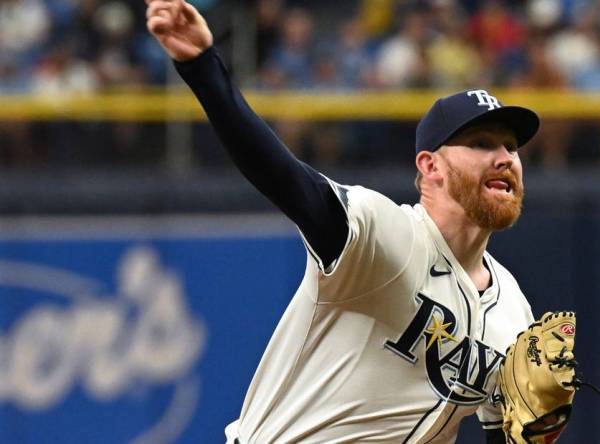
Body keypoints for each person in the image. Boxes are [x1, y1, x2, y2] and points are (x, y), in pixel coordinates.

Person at [145, 1, 540, 442]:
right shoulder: (385, 235)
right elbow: (282, 176)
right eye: (482, 143)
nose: (505, 158)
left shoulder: (514, 313)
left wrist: (537, 431)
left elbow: (503, 433)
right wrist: (202, 67)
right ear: (431, 167)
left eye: (512, 147)